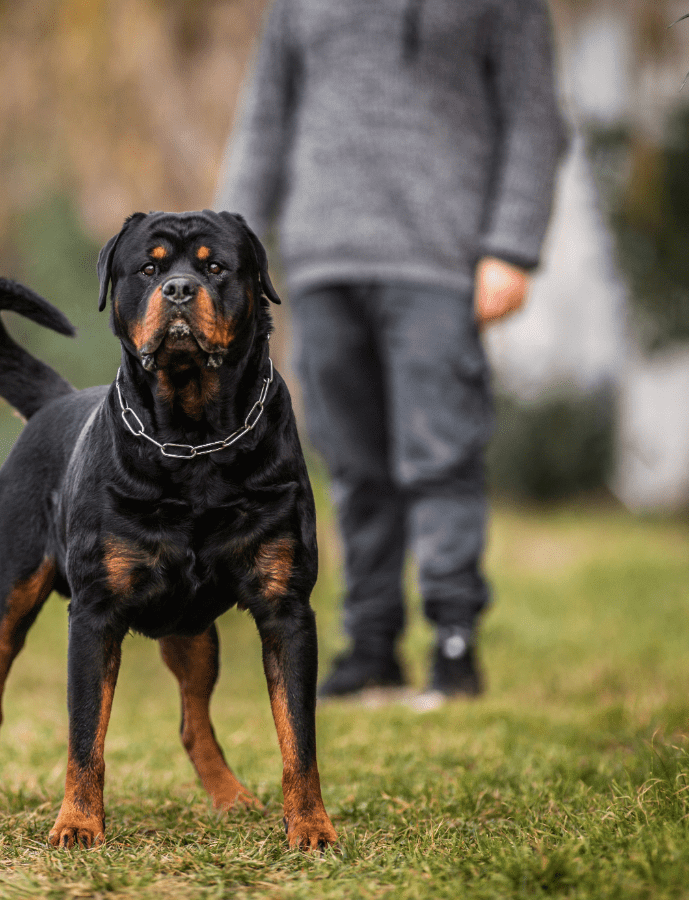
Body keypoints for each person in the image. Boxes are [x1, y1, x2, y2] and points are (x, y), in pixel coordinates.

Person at [215, 0, 567, 702]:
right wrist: (227, 257)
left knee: (440, 456)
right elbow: (264, 122)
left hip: (440, 261)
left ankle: (453, 641)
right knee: (351, 464)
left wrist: (511, 245)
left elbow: (535, 118)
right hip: (321, 262)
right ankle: (371, 645)